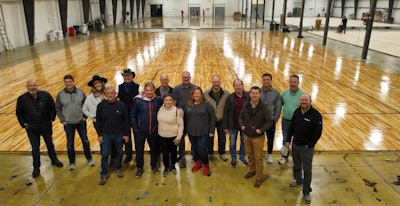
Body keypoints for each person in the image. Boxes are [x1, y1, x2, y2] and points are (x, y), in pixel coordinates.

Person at [16, 80, 64, 178]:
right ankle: (36, 167)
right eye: (30, 86)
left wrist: (52, 118)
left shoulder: (45, 95)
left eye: (34, 85)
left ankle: (54, 160)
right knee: (35, 148)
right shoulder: (22, 99)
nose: (32, 87)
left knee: (50, 144)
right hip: (32, 129)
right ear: (27, 87)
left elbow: (52, 107)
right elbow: (19, 113)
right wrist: (24, 124)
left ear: (37, 86)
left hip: (46, 126)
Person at [286, 93, 323, 204]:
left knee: (307, 170)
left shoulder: (316, 115)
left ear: (310, 101)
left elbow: (318, 132)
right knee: (296, 165)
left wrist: (310, 145)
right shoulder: (297, 112)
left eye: (306, 100)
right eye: (302, 100)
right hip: (295, 145)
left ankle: (306, 191)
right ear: (299, 101)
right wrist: (288, 140)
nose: (304, 102)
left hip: (306, 148)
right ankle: (298, 180)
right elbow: (291, 127)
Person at [55, 74, 94, 170]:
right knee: (70, 143)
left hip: (81, 121)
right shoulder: (60, 94)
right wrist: (62, 120)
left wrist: (85, 116)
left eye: (70, 81)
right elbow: (58, 108)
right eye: (66, 82)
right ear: (64, 83)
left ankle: (89, 159)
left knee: (85, 140)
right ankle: (71, 162)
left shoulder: (80, 92)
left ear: (73, 82)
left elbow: (86, 105)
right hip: (68, 123)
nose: (68, 83)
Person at [239, 86, 273, 188]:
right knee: (250, 155)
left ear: (260, 94)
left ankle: (259, 177)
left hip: (258, 137)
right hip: (247, 135)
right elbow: (240, 117)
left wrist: (261, 130)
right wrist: (242, 126)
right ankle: (252, 170)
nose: (254, 95)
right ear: (250, 94)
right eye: (252, 93)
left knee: (258, 158)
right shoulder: (245, 105)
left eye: (256, 93)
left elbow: (269, 122)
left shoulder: (264, 108)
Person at [96, 86, 130, 185]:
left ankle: (118, 168)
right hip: (105, 134)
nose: (110, 95)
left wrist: (126, 134)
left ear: (115, 94)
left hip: (118, 133)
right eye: (108, 93)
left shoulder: (121, 105)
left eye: (112, 93)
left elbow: (126, 121)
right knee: (105, 154)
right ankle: (104, 173)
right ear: (105, 94)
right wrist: (100, 134)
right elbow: (98, 121)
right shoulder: (101, 106)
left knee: (119, 152)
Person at [131, 82, 163, 178]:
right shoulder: (137, 100)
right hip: (140, 132)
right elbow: (132, 116)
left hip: (153, 131)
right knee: (139, 150)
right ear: (144, 90)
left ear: (154, 90)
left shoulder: (158, 100)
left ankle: (154, 166)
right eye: (147, 90)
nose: (149, 92)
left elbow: (163, 112)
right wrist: (136, 129)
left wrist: (156, 127)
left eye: (151, 90)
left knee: (154, 149)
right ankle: (140, 168)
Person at [185, 87, 215, 176]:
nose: (196, 95)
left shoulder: (207, 105)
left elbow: (212, 118)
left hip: (203, 132)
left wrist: (211, 131)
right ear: (192, 95)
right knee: (195, 149)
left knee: (202, 150)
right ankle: (198, 162)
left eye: (198, 93)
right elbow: (186, 117)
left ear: (201, 95)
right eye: (195, 93)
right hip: (191, 132)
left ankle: (206, 165)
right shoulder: (189, 105)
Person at [172, 71, 198, 163]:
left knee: (193, 137)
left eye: (187, 77)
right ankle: (182, 154)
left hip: (192, 118)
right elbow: (174, 103)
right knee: (181, 137)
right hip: (181, 118)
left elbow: (198, 101)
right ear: (182, 78)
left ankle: (194, 154)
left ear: (190, 77)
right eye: (184, 77)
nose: (186, 79)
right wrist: (174, 116)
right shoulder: (176, 89)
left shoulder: (195, 88)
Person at [222, 79, 249, 167]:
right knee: (232, 143)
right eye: (236, 85)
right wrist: (225, 126)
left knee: (243, 142)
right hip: (233, 125)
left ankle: (242, 157)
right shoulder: (230, 97)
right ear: (234, 87)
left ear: (242, 85)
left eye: (239, 85)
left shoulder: (248, 96)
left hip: (244, 125)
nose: (238, 87)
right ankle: (233, 159)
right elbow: (226, 112)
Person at [116, 68, 140, 163]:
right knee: (126, 136)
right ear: (123, 77)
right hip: (123, 117)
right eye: (125, 75)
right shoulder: (118, 87)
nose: (127, 77)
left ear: (132, 76)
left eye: (129, 75)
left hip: (135, 116)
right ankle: (128, 155)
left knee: (137, 136)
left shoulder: (138, 87)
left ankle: (138, 154)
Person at [157, 94, 184, 177]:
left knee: (173, 153)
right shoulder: (160, 109)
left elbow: (180, 124)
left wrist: (179, 137)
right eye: (166, 100)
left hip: (173, 136)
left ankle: (173, 166)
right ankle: (165, 167)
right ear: (163, 101)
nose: (168, 102)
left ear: (172, 101)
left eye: (170, 100)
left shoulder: (177, 111)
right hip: (162, 136)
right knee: (164, 153)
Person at [204, 75, 229, 161]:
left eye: (217, 82)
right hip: (210, 120)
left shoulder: (226, 93)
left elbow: (228, 108)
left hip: (221, 119)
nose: (216, 84)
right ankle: (210, 153)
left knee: (222, 138)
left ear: (220, 82)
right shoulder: (206, 93)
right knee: (209, 138)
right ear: (212, 83)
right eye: (214, 82)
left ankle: (222, 153)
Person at [279, 74, 304, 164]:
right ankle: (284, 156)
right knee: (285, 139)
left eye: (295, 82)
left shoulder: (302, 95)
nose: (293, 84)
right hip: (286, 121)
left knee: (297, 140)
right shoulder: (285, 93)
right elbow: (281, 104)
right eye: (291, 82)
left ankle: (296, 158)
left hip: (298, 123)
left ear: (298, 83)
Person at [260, 73, 282, 163]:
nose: (266, 81)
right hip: (260, 121)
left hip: (270, 121)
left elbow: (278, 106)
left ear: (271, 80)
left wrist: (275, 119)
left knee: (270, 138)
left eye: (267, 79)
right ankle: (259, 152)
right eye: (264, 79)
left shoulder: (276, 93)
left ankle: (269, 154)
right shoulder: (258, 91)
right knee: (259, 138)